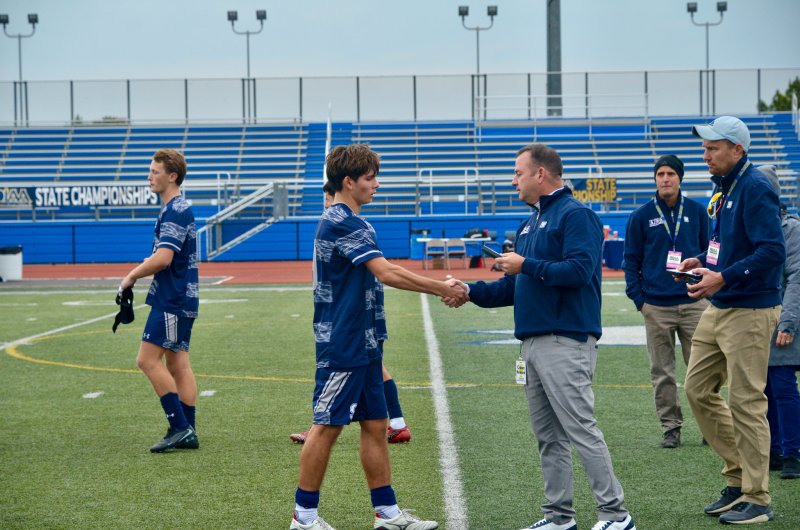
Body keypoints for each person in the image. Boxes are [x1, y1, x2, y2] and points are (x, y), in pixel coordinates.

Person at [444, 144, 635, 530]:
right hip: (532, 342)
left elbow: (580, 270)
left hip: (565, 340)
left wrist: (526, 264)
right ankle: (559, 517)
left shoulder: (577, 215)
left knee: (581, 429)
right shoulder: (529, 223)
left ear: (541, 174)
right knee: (548, 437)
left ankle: (616, 515)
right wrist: (469, 291)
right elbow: (513, 287)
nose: (513, 180)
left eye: (518, 173)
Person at [290, 144, 465, 530]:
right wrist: (440, 288)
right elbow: (386, 272)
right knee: (326, 425)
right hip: (344, 339)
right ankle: (303, 519)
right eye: (370, 178)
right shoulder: (340, 220)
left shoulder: (357, 221)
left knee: (374, 423)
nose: (377, 184)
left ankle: (387, 514)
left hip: (366, 340)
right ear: (348, 181)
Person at [677, 116, 785, 524]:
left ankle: (758, 497)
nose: (705, 155)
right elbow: (730, 246)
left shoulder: (755, 187)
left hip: (750, 309)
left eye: (713, 148)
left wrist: (722, 276)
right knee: (697, 389)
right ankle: (739, 478)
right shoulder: (725, 187)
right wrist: (703, 261)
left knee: (746, 401)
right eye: (705, 148)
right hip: (722, 305)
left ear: (737, 150)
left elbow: (772, 251)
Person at [290, 181, 411, 445]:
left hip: (347, 324)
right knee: (376, 377)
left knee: (327, 424)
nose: (326, 203)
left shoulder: (339, 222)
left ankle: (316, 430)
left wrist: (441, 288)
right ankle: (398, 423)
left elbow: (385, 272)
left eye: (327, 196)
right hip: (364, 319)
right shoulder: (355, 223)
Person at [623, 154, 709, 449]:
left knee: (702, 368)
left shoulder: (698, 212)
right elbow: (630, 261)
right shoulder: (641, 216)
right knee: (662, 372)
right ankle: (671, 428)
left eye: (671, 173)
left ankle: (710, 427)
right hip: (656, 306)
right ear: (655, 179)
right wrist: (640, 301)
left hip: (694, 302)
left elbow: (712, 253)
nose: (665, 178)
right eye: (660, 173)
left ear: (680, 178)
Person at [119, 149, 199, 453]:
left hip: (172, 299)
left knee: (146, 360)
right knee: (178, 363)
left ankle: (180, 427)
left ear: (172, 176)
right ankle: (187, 429)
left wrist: (131, 276)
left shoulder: (176, 209)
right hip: (181, 298)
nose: (149, 176)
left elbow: (163, 259)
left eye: (155, 171)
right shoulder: (174, 209)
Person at [759, 165, 800, 480]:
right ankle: (772, 450)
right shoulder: (749, 224)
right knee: (765, 389)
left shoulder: (791, 229)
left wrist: (787, 324)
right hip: (756, 318)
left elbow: (797, 278)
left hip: (784, 317)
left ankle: (792, 453)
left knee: (783, 385)